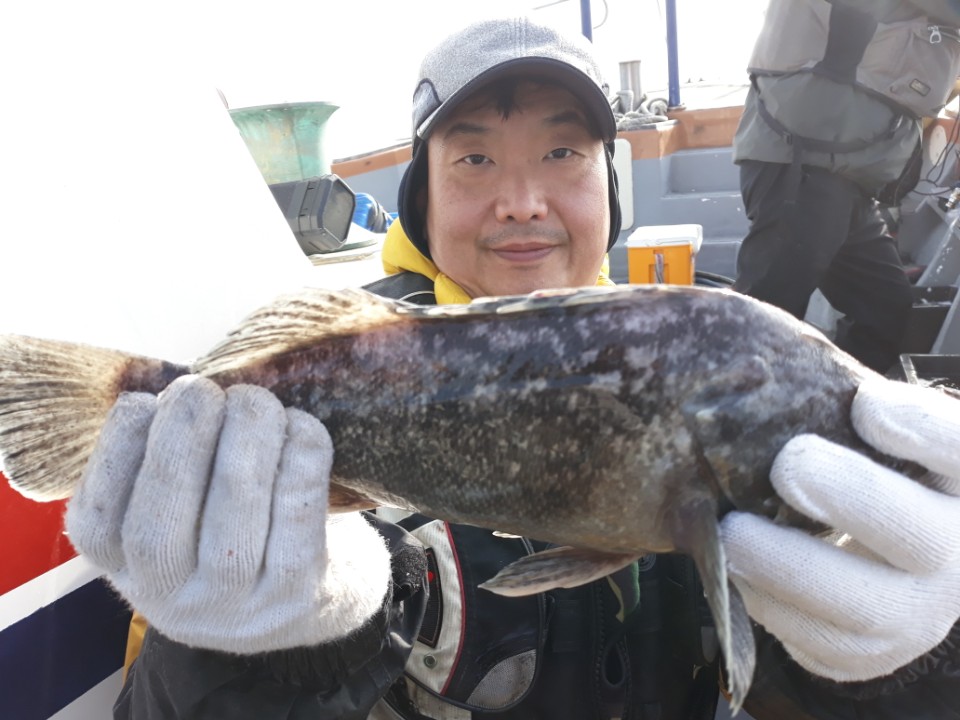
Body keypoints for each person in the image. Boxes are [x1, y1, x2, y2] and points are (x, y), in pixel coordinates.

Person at [63, 15, 960, 720]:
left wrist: (905, 661)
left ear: (609, 180)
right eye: (475, 158)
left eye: (562, 153)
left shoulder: (725, 332)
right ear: (422, 195)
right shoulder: (348, 355)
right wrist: (250, 644)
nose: (522, 201)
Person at [731, 0, 960, 373]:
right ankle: (730, 403)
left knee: (885, 307)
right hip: (804, 165)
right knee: (766, 320)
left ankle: (834, 397)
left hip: (848, 176)